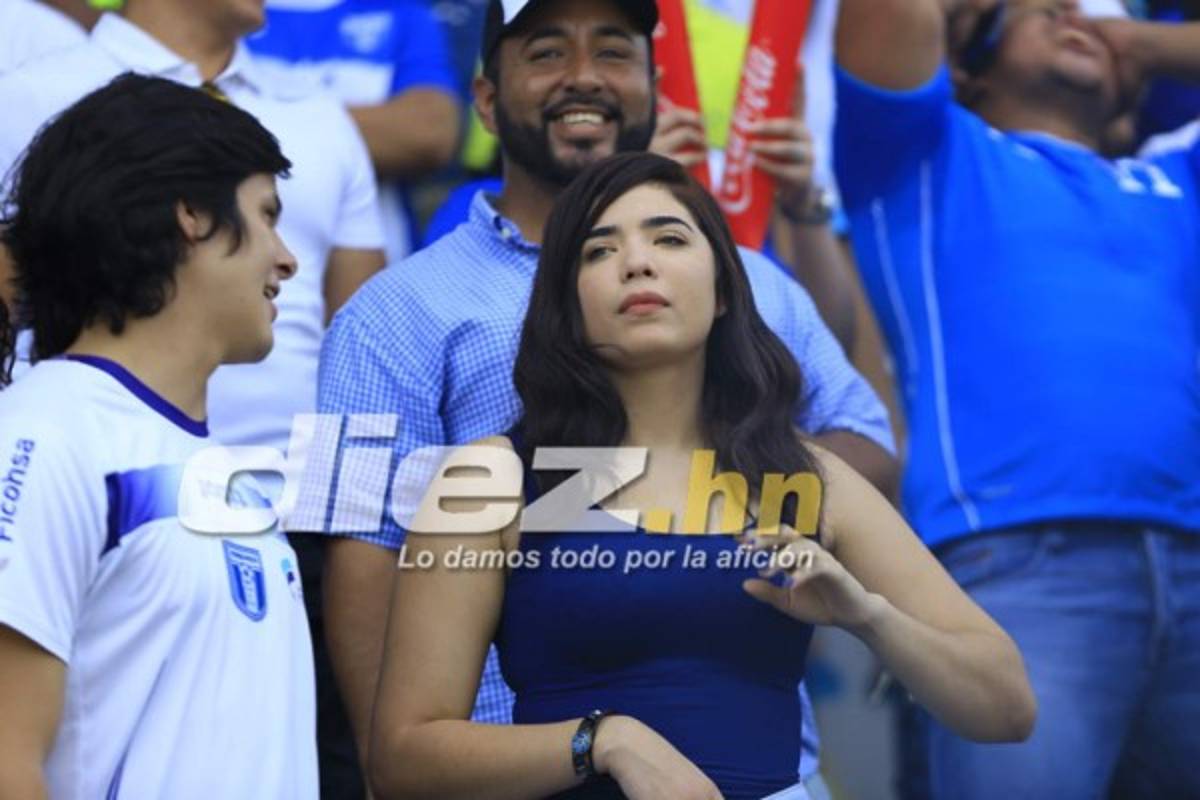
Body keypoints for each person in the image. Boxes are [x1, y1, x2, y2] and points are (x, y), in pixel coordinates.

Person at [316, 0, 898, 792]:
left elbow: (868, 443)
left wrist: (696, 489)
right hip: (504, 773)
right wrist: (398, 776)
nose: (585, 78)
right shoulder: (382, 311)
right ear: (486, 99)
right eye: (548, 52)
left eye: (615, 52)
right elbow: (350, 547)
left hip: (767, 771)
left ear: (655, 87)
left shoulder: (746, 279)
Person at [366, 151, 1035, 800]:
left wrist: (865, 615)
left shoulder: (802, 475)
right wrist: (604, 742)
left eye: (669, 238)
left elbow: (1006, 707)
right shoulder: (494, 478)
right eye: (598, 251)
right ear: (566, 309)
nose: (636, 262)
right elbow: (403, 758)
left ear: (722, 291)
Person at [834, 0, 1200, 796]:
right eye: (1044, 11)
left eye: (1088, 14)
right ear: (970, 60)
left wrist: (1137, 39)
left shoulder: (1176, 175)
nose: (1076, 17)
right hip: (1019, 571)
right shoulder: (927, 157)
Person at [0, 74, 314, 798]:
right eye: (267, 215)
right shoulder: (44, 436)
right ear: (192, 216)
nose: (287, 258)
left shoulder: (224, 471)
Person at [0, 0, 386, 451]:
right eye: (265, 215)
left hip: (291, 495)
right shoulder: (28, 96)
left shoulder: (323, 118)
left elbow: (365, 342)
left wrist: (345, 508)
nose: (287, 261)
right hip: (87, 469)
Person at [247, 0, 462, 261]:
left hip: (375, 268)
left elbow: (428, 134)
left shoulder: (400, 12)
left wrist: (244, 115)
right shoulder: (225, 12)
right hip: (236, 266)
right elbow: (193, 123)